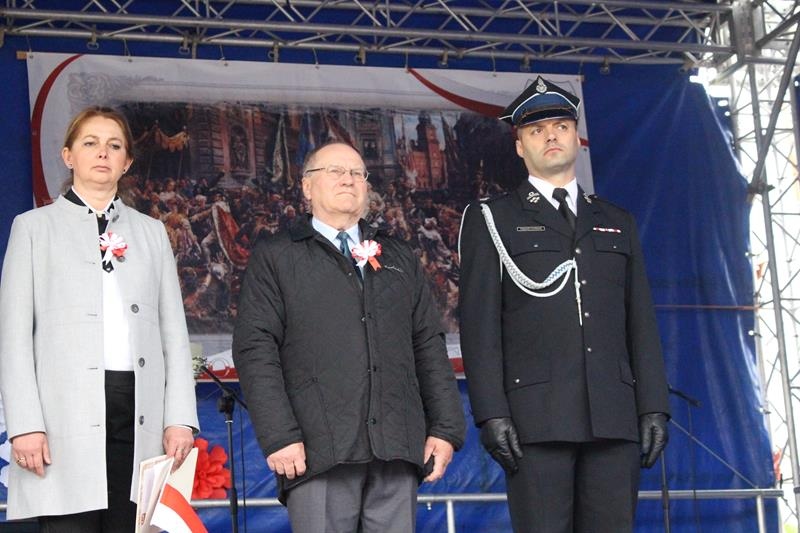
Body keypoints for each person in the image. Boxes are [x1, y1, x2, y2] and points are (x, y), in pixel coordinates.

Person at [458, 76, 670, 532]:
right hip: (536, 420)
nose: (551, 136)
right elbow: (479, 328)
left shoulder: (617, 221)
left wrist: (653, 404)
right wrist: (491, 413)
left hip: (613, 415)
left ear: (577, 137)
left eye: (560, 126)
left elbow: (640, 322)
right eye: (536, 130)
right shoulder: (491, 219)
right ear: (520, 147)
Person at [233, 141, 465, 533]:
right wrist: (279, 435)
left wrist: (445, 429)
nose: (348, 180)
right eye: (335, 171)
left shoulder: (397, 255)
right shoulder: (276, 256)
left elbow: (427, 343)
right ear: (307, 187)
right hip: (316, 450)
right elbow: (255, 348)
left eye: (357, 173)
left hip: (395, 447)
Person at [0, 106, 199, 531]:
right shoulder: (33, 228)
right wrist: (25, 425)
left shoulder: (151, 232)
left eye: (114, 145)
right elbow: (12, 336)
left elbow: (174, 335)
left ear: (127, 162)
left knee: (131, 522)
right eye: (90, 143)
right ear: (68, 155)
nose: (102, 153)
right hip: (62, 410)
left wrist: (179, 418)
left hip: (138, 407)